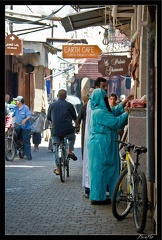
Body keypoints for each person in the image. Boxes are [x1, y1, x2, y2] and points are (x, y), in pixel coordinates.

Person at [87, 88, 133, 205]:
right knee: (100, 170)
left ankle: (102, 195)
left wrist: (124, 103)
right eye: (104, 98)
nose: (106, 99)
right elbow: (116, 122)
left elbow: (113, 112)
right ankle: (97, 197)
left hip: (102, 143)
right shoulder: (99, 112)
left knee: (104, 169)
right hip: (101, 145)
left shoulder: (100, 110)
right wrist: (127, 113)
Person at [82, 78, 108, 198]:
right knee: (94, 165)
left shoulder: (95, 102)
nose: (105, 89)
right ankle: (92, 191)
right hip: (95, 138)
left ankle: (93, 190)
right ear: (97, 88)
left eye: (105, 87)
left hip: (95, 138)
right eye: (103, 87)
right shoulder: (95, 104)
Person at [47, 89, 79, 175]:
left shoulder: (52, 105)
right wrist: (77, 126)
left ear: (57, 95)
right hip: (68, 130)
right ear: (65, 96)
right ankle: (69, 150)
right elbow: (75, 118)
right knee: (73, 136)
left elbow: (49, 118)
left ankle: (58, 169)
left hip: (55, 131)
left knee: (56, 148)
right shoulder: (69, 105)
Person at [11, 96, 32, 160]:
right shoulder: (15, 108)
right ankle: (17, 147)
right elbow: (11, 114)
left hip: (26, 127)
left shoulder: (26, 108)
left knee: (26, 140)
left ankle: (28, 155)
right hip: (18, 126)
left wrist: (25, 120)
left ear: (19, 102)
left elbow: (29, 116)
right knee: (14, 135)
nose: (15, 102)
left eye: (16, 100)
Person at [77, 94, 89, 159]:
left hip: (85, 128)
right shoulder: (93, 107)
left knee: (84, 144)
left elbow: (78, 120)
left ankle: (84, 159)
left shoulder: (83, 107)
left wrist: (77, 128)